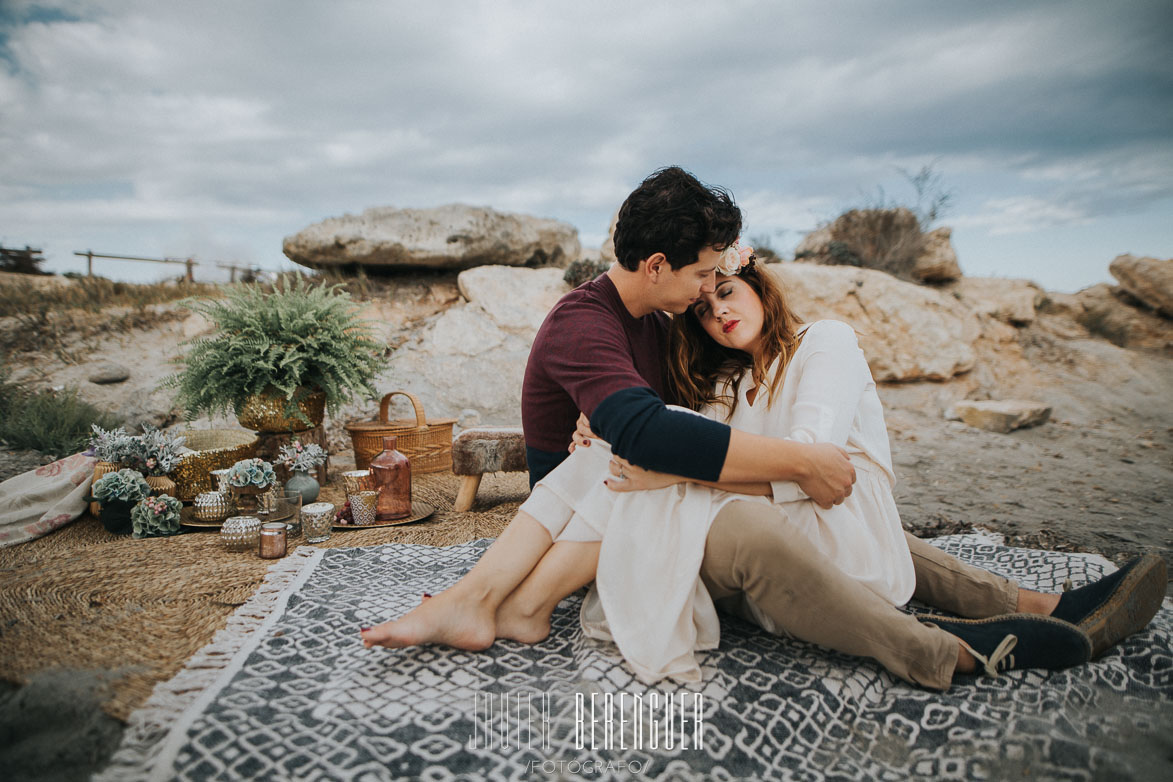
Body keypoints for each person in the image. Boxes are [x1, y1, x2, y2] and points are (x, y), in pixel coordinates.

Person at [361, 167, 1166, 689]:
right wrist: (797, 465)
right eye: (703, 273)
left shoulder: (668, 319)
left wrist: (793, 471)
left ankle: (1042, 600)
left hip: (633, 488)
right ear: (655, 266)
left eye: (723, 276)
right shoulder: (587, 322)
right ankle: (938, 650)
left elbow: (682, 420)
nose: (713, 288)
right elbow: (644, 432)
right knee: (757, 524)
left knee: (823, 513)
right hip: (593, 513)